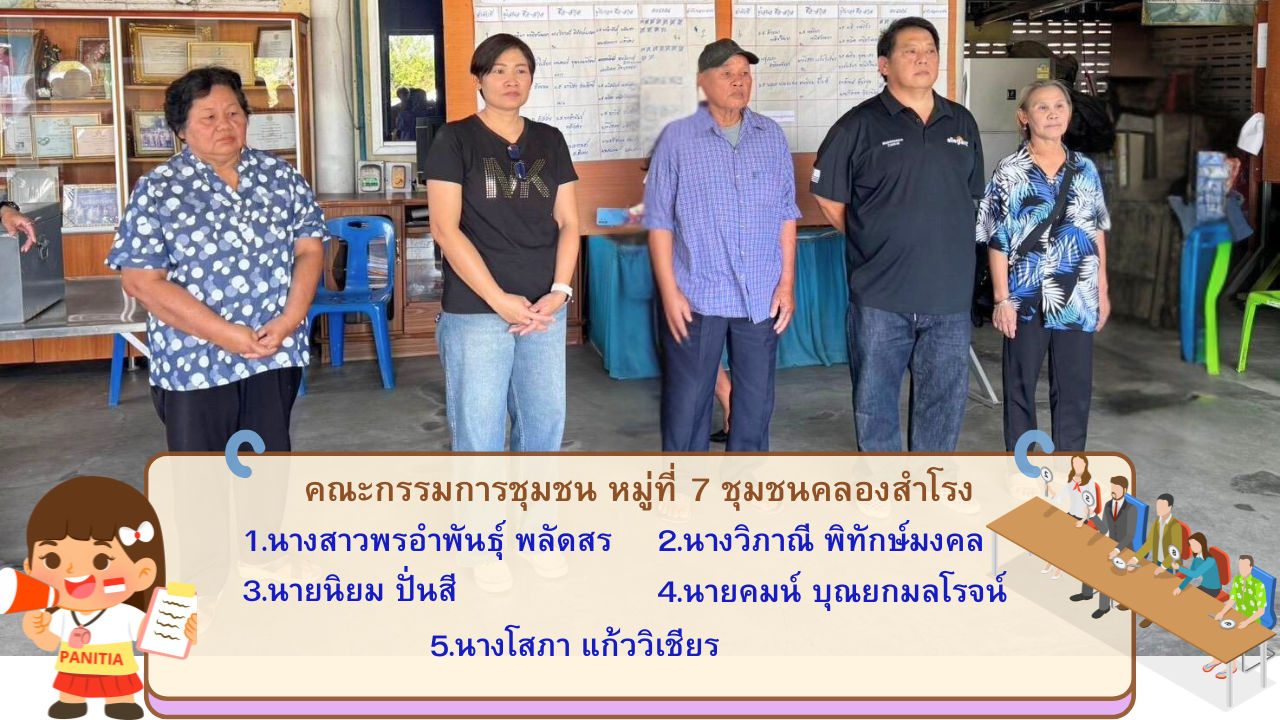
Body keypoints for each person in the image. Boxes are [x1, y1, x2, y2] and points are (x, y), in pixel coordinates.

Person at [424, 34, 579, 590]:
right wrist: (497, 298)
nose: (511, 79)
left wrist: (560, 291)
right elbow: (445, 229)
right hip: (477, 310)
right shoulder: (454, 139)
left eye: (521, 70)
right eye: (498, 69)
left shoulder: (550, 140)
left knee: (543, 424)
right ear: (479, 78)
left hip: (542, 309)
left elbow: (569, 222)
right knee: (480, 428)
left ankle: (538, 531)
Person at [107, 67, 326, 451]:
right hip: (194, 362)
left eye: (234, 113)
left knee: (265, 471)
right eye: (208, 117)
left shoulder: (281, 177)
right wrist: (227, 335)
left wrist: (289, 321)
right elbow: (141, 282)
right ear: (181, 129)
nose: (224, 125)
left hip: (272, 352)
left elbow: (309, 250)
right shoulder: (159, 189)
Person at [811, 17, 984, 451]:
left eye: (930, 50)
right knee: (875, 404)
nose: (922, 58)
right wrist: (874, 237)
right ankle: (884, 482)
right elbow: (829, 199)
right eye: (910, 50)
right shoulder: (856, 126)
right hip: (880, 296)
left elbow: (970, 196)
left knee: (943, 405)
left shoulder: (962, 122)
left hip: (949, 295)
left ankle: (930, 479)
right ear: (884, 65)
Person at [645, 38, 800, 453]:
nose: (738, 81)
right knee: (688, 403)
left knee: (755, 402)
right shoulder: (677, 139)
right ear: (703, 81)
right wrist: (670, 292)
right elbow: (658, 221)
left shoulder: (771, 136)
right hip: (697, 293)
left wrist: (786, 284)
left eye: (744, 74)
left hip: (761, 295)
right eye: (727, 73)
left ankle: (742, 479)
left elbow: (787, 213)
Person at [977, 79, 1111, 453]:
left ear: (1069, 114)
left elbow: (1096, 230)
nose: (1052, 114)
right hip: (1024, 296)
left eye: (1059, 106)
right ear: (1024, 117)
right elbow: (997, 238)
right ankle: (1023, 465)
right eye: (1042, 107)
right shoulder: (1009, 171)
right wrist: (1002, 299)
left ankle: (1070, 465)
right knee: (1020, 385)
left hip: (1077, 294)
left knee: (1074, 388)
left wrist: (1102, 290)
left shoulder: (1085, 169)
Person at [21, 476, 196, 720]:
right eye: (52, 560)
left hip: (117, 670)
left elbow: (155, 636)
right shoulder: (61, 614)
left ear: (142, 573)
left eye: (101, 561)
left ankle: (119, 703)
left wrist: (180, 631)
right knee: (70, 691)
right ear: (30, 569)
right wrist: (37, 630)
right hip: (73, 669)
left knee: (119, 693)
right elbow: (49, 643)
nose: (73, 572)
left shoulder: (125, 613)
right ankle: (72, 703)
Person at [1074, 476, 1135, 619]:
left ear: (1124, 490)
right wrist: (1093, 515)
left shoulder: (1131, 509)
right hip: (1110, 545)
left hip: (1125, 549)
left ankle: (1104, 607)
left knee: (1105, 573)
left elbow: (1130, 535)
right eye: (1112, 488)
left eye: (1117, 488)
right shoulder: (1108, 505)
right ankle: (1086, 593)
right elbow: (1103, 529)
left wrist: (1117, 550)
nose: (1113, 491)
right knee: (1089, 562)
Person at [1128, 492, 1183, 628]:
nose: (1158, 509)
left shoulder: (1175, 526)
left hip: (1170, 565)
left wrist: (1163, 567)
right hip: (1157, 561)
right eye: (1158, 506)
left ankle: (1152, 615)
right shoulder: (1157, 523)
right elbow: (1149, 544)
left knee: (1159, 592)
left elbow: (1175, 551)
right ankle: (1132, 604)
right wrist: (1135, 558)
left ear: (1169, 507)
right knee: (1143, 582)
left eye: (1162, 506)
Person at [1211, 554, 1268, 678]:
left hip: (1252, 621)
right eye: (1240, 565)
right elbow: (1232, 599)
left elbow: (1261, 611)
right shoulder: (1237, 580)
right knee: (1219, 630)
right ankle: (1217, 658)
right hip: (1238, 616)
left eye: (1245, 566)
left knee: (1232, 638)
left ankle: (1232, 667)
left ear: (1251, 567)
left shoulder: (1258, 585)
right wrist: (1222, 612)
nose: (1242, 569)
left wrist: (1247, 622)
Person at [1048, 454, 1100, 579]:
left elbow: (1092, 505)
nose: (1077, 466)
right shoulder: (1070, 480)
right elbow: (1061, 499)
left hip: (1082, 518)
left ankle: (1059, 569)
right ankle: (1052, 564)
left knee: (1068, 546)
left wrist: (1083, 520)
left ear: (1085, 464)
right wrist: (1050, 490)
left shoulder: (1089, 481)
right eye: (1075, 463)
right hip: (1070, 515)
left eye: (1080, 463)